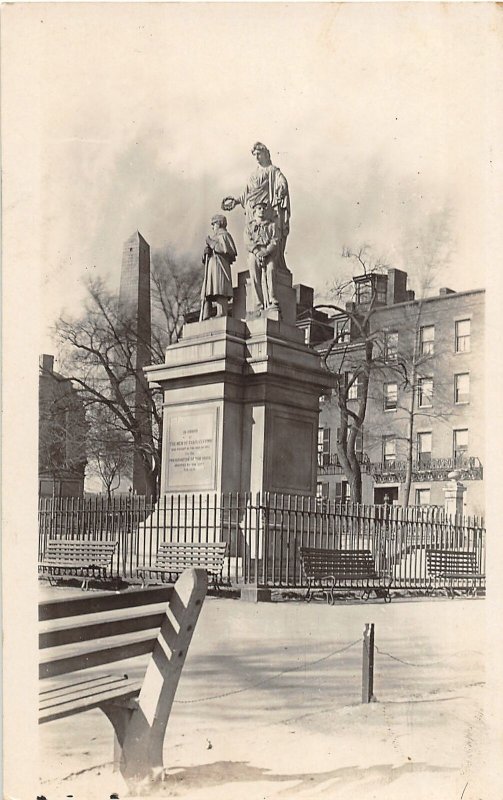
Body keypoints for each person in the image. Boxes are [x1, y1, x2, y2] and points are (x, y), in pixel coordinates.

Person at [222, 142, 290, 271]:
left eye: (259, 154)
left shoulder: (273, 171)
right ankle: (256, 261)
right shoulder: (253, 174)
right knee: (253, 236)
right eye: (255, 155)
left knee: (270, 235)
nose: (257, 157)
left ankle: (270, 261)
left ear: (265, 154)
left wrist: (281, 189)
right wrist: (236, 201)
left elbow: (282, 182)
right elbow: (246, 193)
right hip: (252, 211)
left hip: (268, 210)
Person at [200, 214, 237, 320]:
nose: (212, 227)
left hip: (220, 266)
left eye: (214, 224)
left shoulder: (224, 235)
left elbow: (228, 251)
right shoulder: (214, 237)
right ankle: (206, 314)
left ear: (219, 223)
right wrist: (205, 253)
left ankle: (221, 312)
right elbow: (208, 254)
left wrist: (211, 243)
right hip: (211, 266)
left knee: (219, 287)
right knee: (208, 290)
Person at [244, 200, 279, 312]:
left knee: (271, 269)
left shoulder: (271, 225)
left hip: (267, 252)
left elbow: (275, 240)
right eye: (259, 208)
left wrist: (266, 252)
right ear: (255, 210)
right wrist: (256, 251)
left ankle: (272, 298)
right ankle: (258, 303)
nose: (262, 210)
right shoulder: (249, 226)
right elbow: (247, 241)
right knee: (253, 271)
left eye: (264, 208)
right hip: (254, 252)